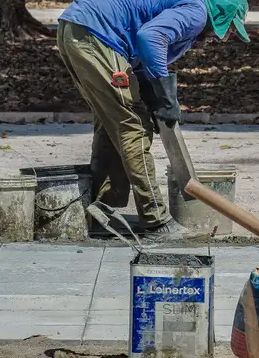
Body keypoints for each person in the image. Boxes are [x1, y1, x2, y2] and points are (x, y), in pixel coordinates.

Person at [56, 0, 249, 238]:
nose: (226, 36)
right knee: (134, 126)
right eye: (230, 27)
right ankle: (156, 221)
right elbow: (150, 37)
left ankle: (104, 212)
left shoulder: (188, 6)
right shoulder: (197, 12)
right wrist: (165, 95)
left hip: (77, 27)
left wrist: (151, 93)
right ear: (222, 13)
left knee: (114, 122)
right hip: (98, 34)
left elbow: (140, 47)